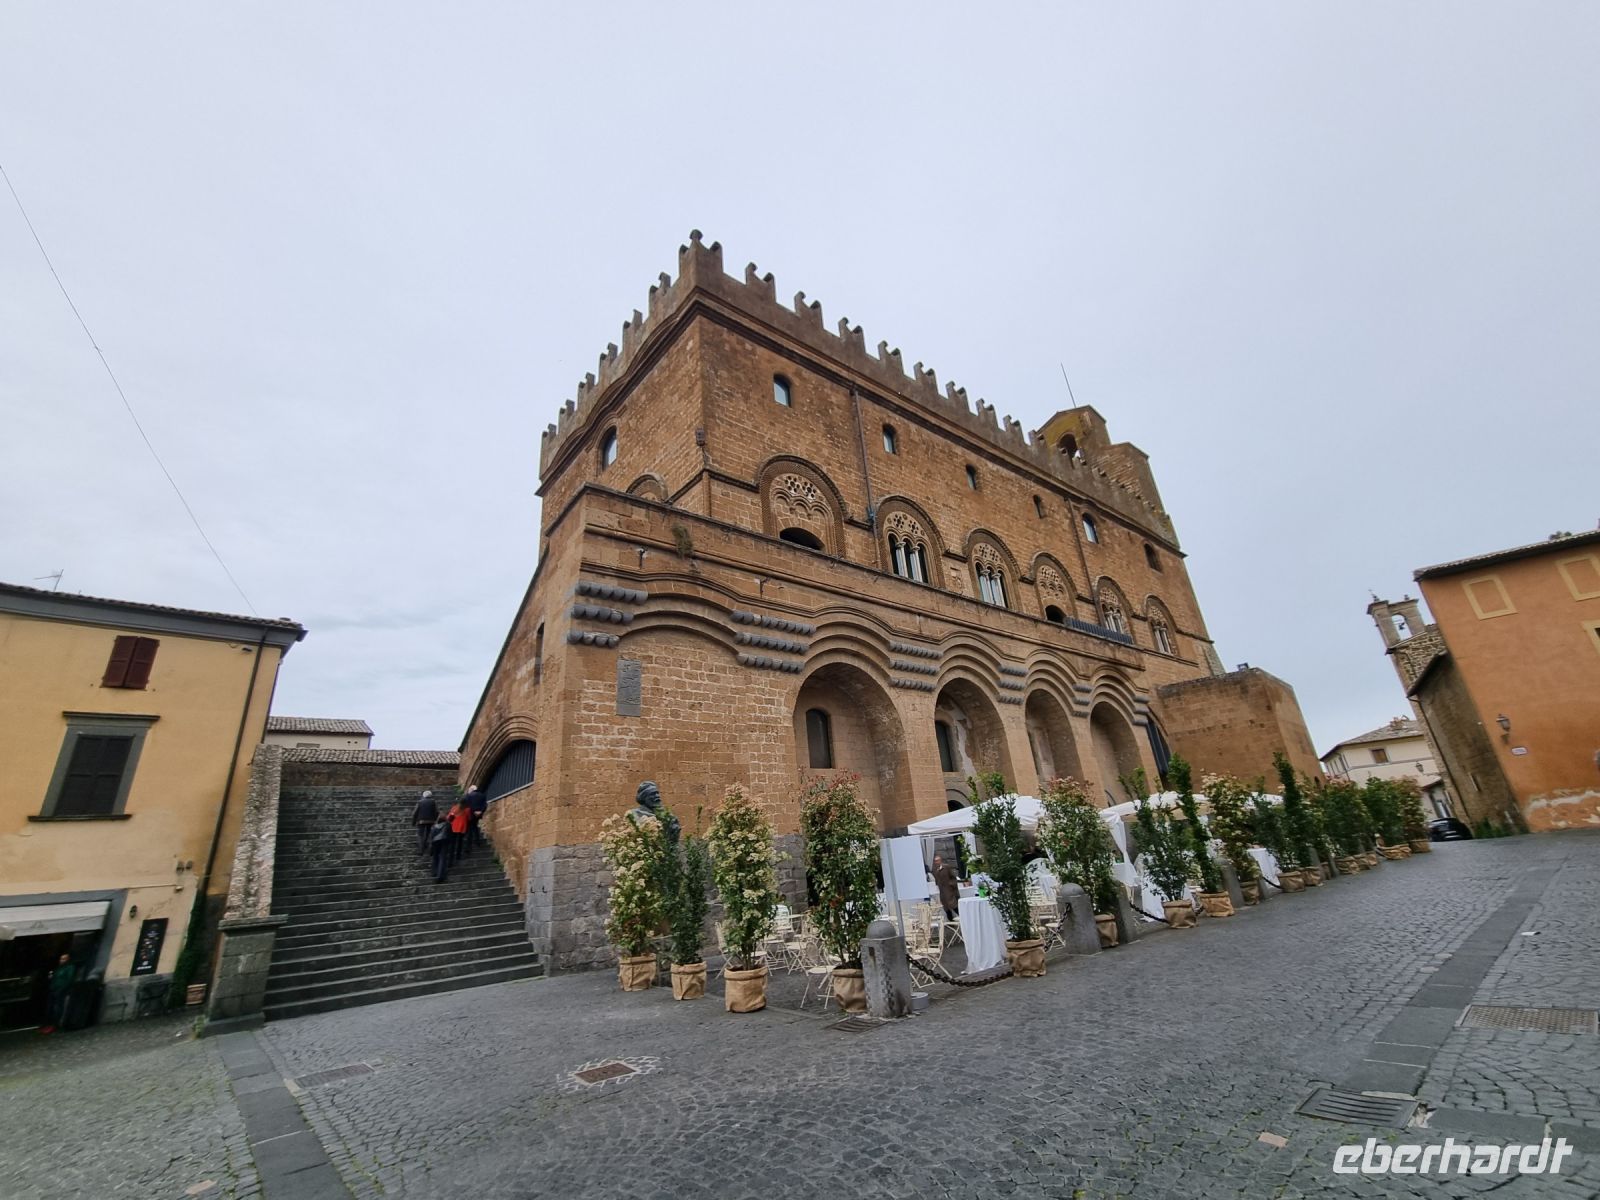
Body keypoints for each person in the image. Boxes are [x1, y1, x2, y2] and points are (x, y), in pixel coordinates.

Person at [40, 953, 76, 1034]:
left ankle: (55, 1024)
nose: (62, 960)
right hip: (54, 989)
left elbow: (69, 979)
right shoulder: (58, 968)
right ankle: (48, 1024)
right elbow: (54, 978)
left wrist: (63, 988)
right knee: (50, 1007)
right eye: (61, 959)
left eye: (64, 959)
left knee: (58, 1007)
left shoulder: (70, 967)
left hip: (61, 989)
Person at [932, 854, 960, 921]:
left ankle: (963, 918)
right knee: (946, 908)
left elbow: (953, 877)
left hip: (949, 891)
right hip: (942, 893)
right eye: (935, 861)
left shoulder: (946, 867)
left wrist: (951, 884)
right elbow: (937, 880)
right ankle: (951, 923)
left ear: (940, 860)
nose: (936, 862)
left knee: (954, 906)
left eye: (938, 860)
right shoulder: (935, 870)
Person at [411, 790, 439, 856]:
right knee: (429, 834)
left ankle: (421, 850)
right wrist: (435, 820)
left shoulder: (420, 802)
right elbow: (437, 812)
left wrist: (413, 822)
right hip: (431, 821)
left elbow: (415, 813)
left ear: (423, 796)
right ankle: (430, 850)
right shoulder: (433, 802)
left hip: (421, 821)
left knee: (420, 835)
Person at [429, 813, 452, 883]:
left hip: (435, 842)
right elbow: (450, 834)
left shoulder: (434, 826)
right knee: (442, 858)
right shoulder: (448, 824)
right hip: (444, 841)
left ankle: (434, 872)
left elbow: (431, 836)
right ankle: (440, 876)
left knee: (435, 857)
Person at [448, 797, 471, 864]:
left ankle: (450, 859)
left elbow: (449, 817)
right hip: (462, 828)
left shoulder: (454, 808)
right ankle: (458, 856)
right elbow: (469, 818)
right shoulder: (467, 809)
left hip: (453, 827)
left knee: (453, 843)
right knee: (460, 843)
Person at [465, 784, 487, 849]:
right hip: (478, 815)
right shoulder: (482, 795)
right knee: (475, 827)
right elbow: (485, 805)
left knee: (469, 829)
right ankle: (477, 842)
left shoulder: (468, 795)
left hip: (471, 814)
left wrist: (474, 811)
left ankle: (468, 846)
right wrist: (481, 811)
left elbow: (468, 805)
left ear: (472, 789)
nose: (468, 791)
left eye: (469, 790)